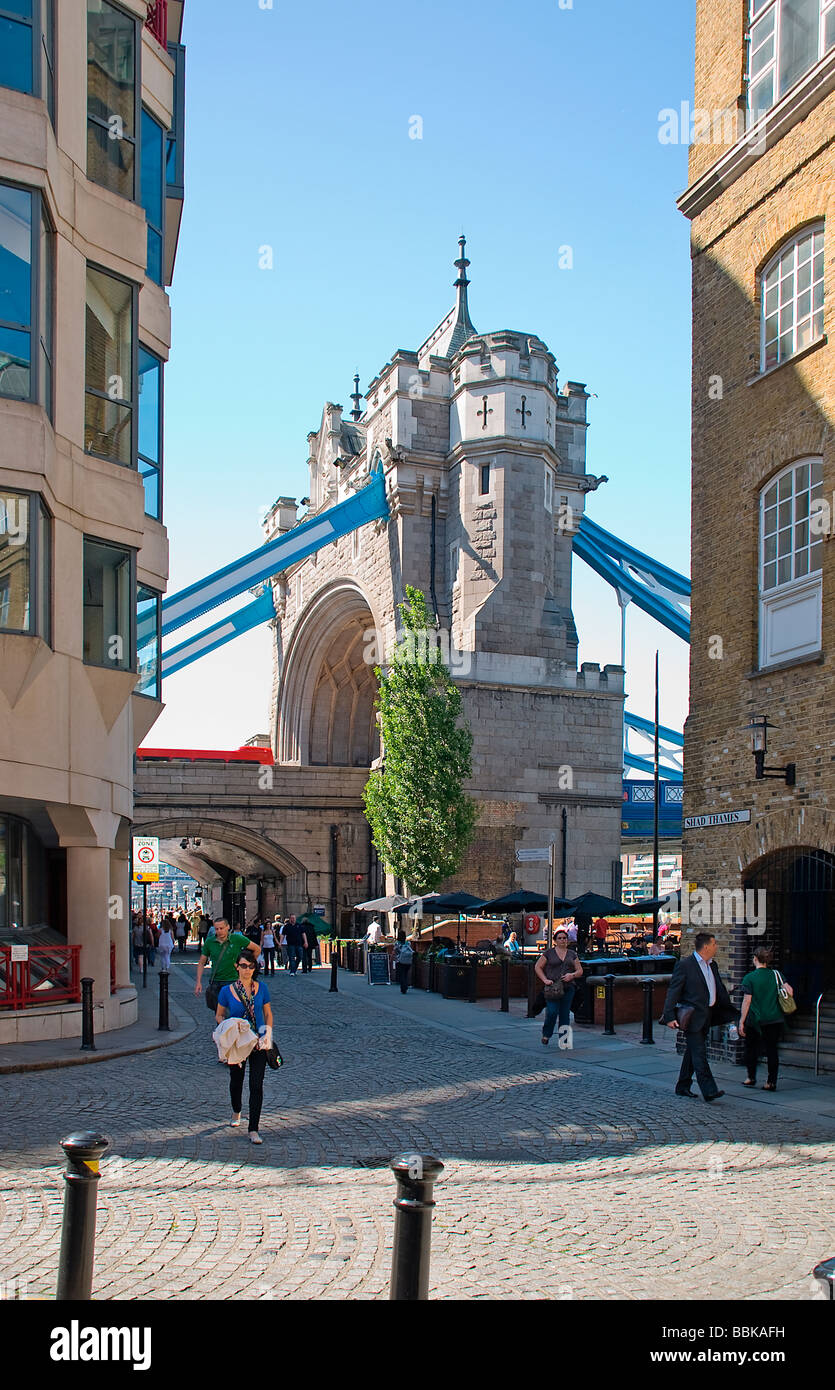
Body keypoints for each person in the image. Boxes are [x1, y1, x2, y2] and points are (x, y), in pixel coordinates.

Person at [661, 931, 737, 1101]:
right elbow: (673, 991)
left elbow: (718, 989)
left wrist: (728, 1010)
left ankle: (683, 1085)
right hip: (692, 1018)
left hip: (707, 1015)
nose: (717, 947)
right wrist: (669, 1016)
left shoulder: (712, 965)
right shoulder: (686, 965)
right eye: (715, 944)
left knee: (692, 1052)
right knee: (699, 1053)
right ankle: (709, 1090)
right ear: (707, 946)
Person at [215, 953, 274, 1144]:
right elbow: (219, 1015)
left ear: (255, 968)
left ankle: (254, 1129)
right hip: (238, 1042)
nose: (247, 969)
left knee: (256, 1084)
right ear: (237, 967)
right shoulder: (227, 991)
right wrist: (230, 1026)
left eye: (250, 966)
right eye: (243, 965)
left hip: (257, 1041)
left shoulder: (261, 988)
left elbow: (267, 1013)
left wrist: (267, 1034)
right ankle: (236, 1109)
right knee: (236, 1081)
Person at [739, 946, 793, 1091]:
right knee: (772, 1050)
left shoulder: (749, 978)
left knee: (751, 1049)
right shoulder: (777, 975)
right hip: (775, 1018)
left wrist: (741, 1020)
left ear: (755, 959)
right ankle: (771, 1082)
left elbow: (747, 1001)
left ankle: (750, 1077)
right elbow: (790, 991)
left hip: (755, 1020)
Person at [194, 918, 260, 1013]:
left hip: (233, 981)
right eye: (217, 929)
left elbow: (257, 949)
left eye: (221, 928)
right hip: (216, 982)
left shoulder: (237, 939)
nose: (219, 931)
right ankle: (222, 1027)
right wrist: (198, 982)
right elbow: (201, 962)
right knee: (219, 1014)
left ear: (227, 927)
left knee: (231, 1013)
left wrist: (246, 966)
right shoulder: (210, 942)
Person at [535, 929, 583, 1045]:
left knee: (564, 1014)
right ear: (555, 941)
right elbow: (538, 967)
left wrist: (572, 975)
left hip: (568, 987)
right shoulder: (549, 953)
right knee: (552, 1012)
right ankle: (546, 1034)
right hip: (552, 987)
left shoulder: (572, 954)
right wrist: (545, 980)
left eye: (564, 938)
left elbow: (580, 970)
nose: (562, 940)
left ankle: (564, 1040)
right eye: (560, 938)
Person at [393, 928, 414, 993]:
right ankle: (405, 984)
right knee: (405, 973)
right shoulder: (408, 943)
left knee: (401, 974)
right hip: (408, 961)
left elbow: (396, 951)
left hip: (400, 961)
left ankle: (403, 987)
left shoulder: (397, 943)